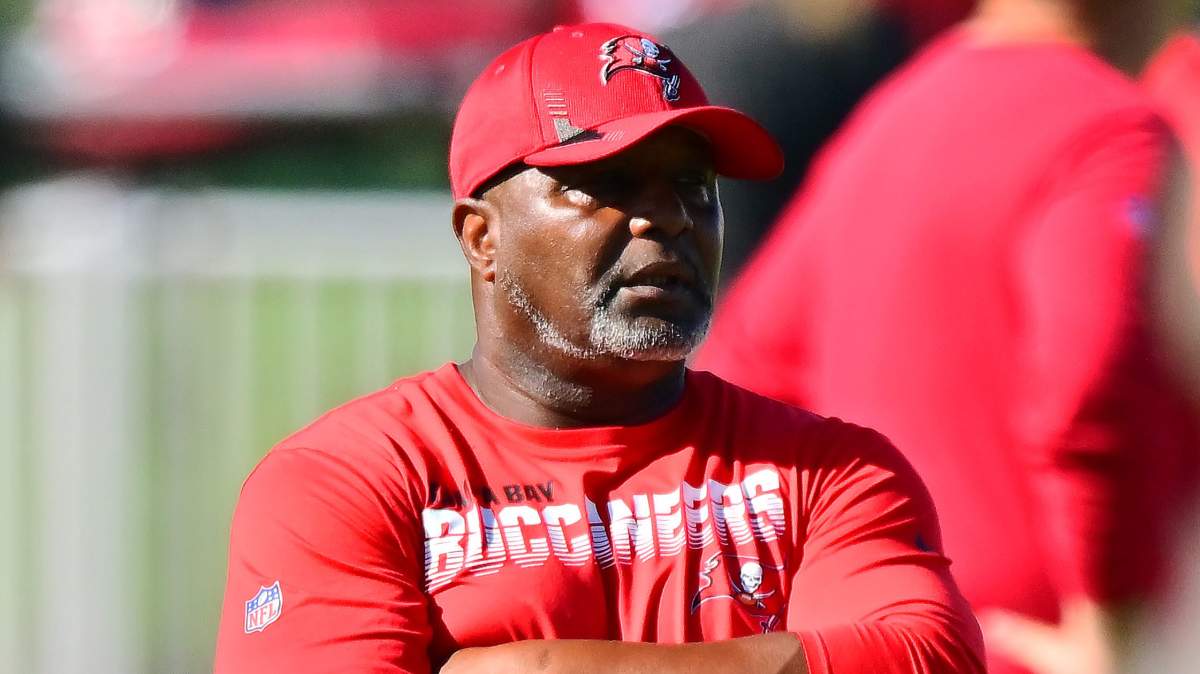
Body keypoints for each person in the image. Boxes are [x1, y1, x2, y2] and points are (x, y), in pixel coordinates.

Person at [213, 22, 985, 674]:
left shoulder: (830, 471)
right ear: (482, 238)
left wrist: (532, 667)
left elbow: (927, 657)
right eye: (606, 182)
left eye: (694, 186)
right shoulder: (347, 483)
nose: (668, 218)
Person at [695, 2, 1199, 674]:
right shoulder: (1109, 123)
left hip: (875, 640)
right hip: (1028, 648)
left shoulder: (893, 114)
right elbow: (1092, 377)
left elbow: (743, 366)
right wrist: (1114, 627)